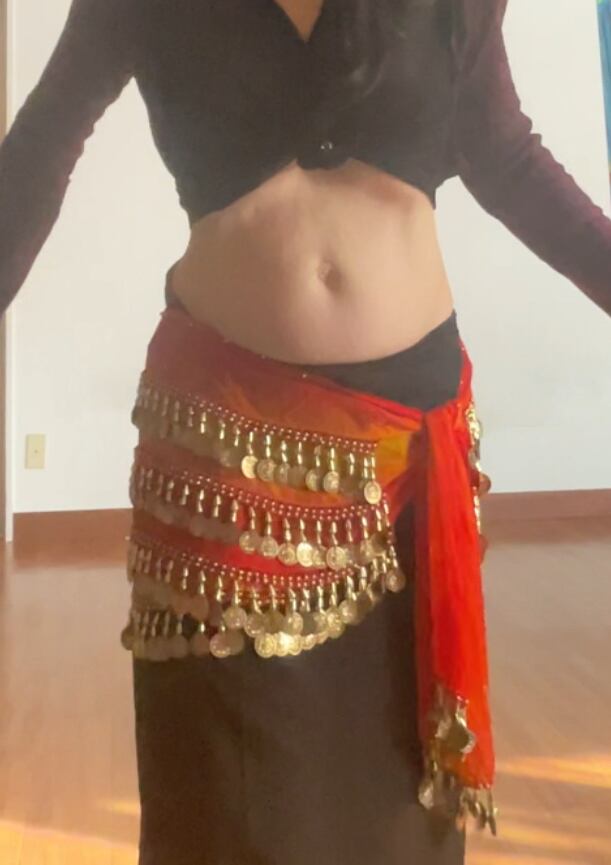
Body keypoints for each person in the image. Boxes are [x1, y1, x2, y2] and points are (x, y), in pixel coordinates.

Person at [0, 1, 610, 863]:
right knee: (228, 801)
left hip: (409, 454)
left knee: (396, 805)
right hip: (221, 453)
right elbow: (39, 147)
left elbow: (505, 156)